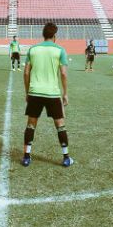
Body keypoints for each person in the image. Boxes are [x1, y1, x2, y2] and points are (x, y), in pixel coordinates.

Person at [22, 22, 72, 167]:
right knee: (60, 125)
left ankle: (26, 157)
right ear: (55, 35)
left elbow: (26, 73)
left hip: (35, 92)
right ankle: (66, 158)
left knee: (31, 124)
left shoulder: (33, 49)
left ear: (43, 35)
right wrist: (65, 94)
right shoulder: (60, 50)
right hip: (52, 93)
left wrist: (27, 92)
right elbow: (63, 74)